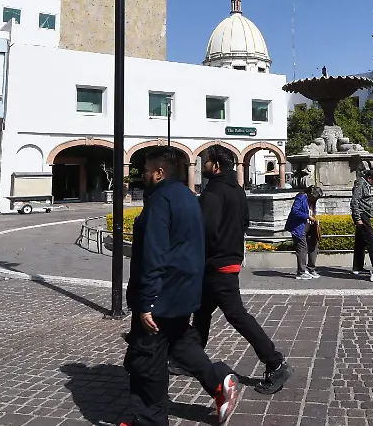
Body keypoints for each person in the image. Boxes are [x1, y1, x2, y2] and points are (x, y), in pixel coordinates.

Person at [121, 150, 240, 426]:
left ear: (159, 172)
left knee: (146, 357)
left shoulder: (160, 201)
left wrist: (147, 300)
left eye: (147, 170)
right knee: (179, 342)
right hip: (183, 288)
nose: (143, 175)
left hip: (161, 292)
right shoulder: (188, 196)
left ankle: (149, 420)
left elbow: (154, 252)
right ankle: (218, 381)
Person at [188, 146, 291, 395]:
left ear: (216, 166)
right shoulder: (237, 189)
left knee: (236, 315)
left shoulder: (213, 192)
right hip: (228, 258)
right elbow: (245, 222)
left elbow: (205, 231)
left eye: (206, 161)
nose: (203, 165)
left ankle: (275, 362)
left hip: (217, 263)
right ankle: (190, 357)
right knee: (201, 311)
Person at [350, 169, 373, 277]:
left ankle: (357, 267)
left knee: (360, 242)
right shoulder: (360, 184)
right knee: (371, 240)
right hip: (362, 214)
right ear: (369, 178)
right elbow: (354, 201)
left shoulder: (367, 185)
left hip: (365, 214)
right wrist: (357, 218)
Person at [285, 186, 320, 280]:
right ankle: (301, 272)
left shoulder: (313, 200)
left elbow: (312, 210)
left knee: (314, 246)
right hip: (298, 227)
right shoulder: (301, 197)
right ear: (310, 194)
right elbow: (295, 211)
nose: (315, 200)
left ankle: (311, 268)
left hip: (310, 227)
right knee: (302, 249)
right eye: (314, 198)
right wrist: (307, 216)